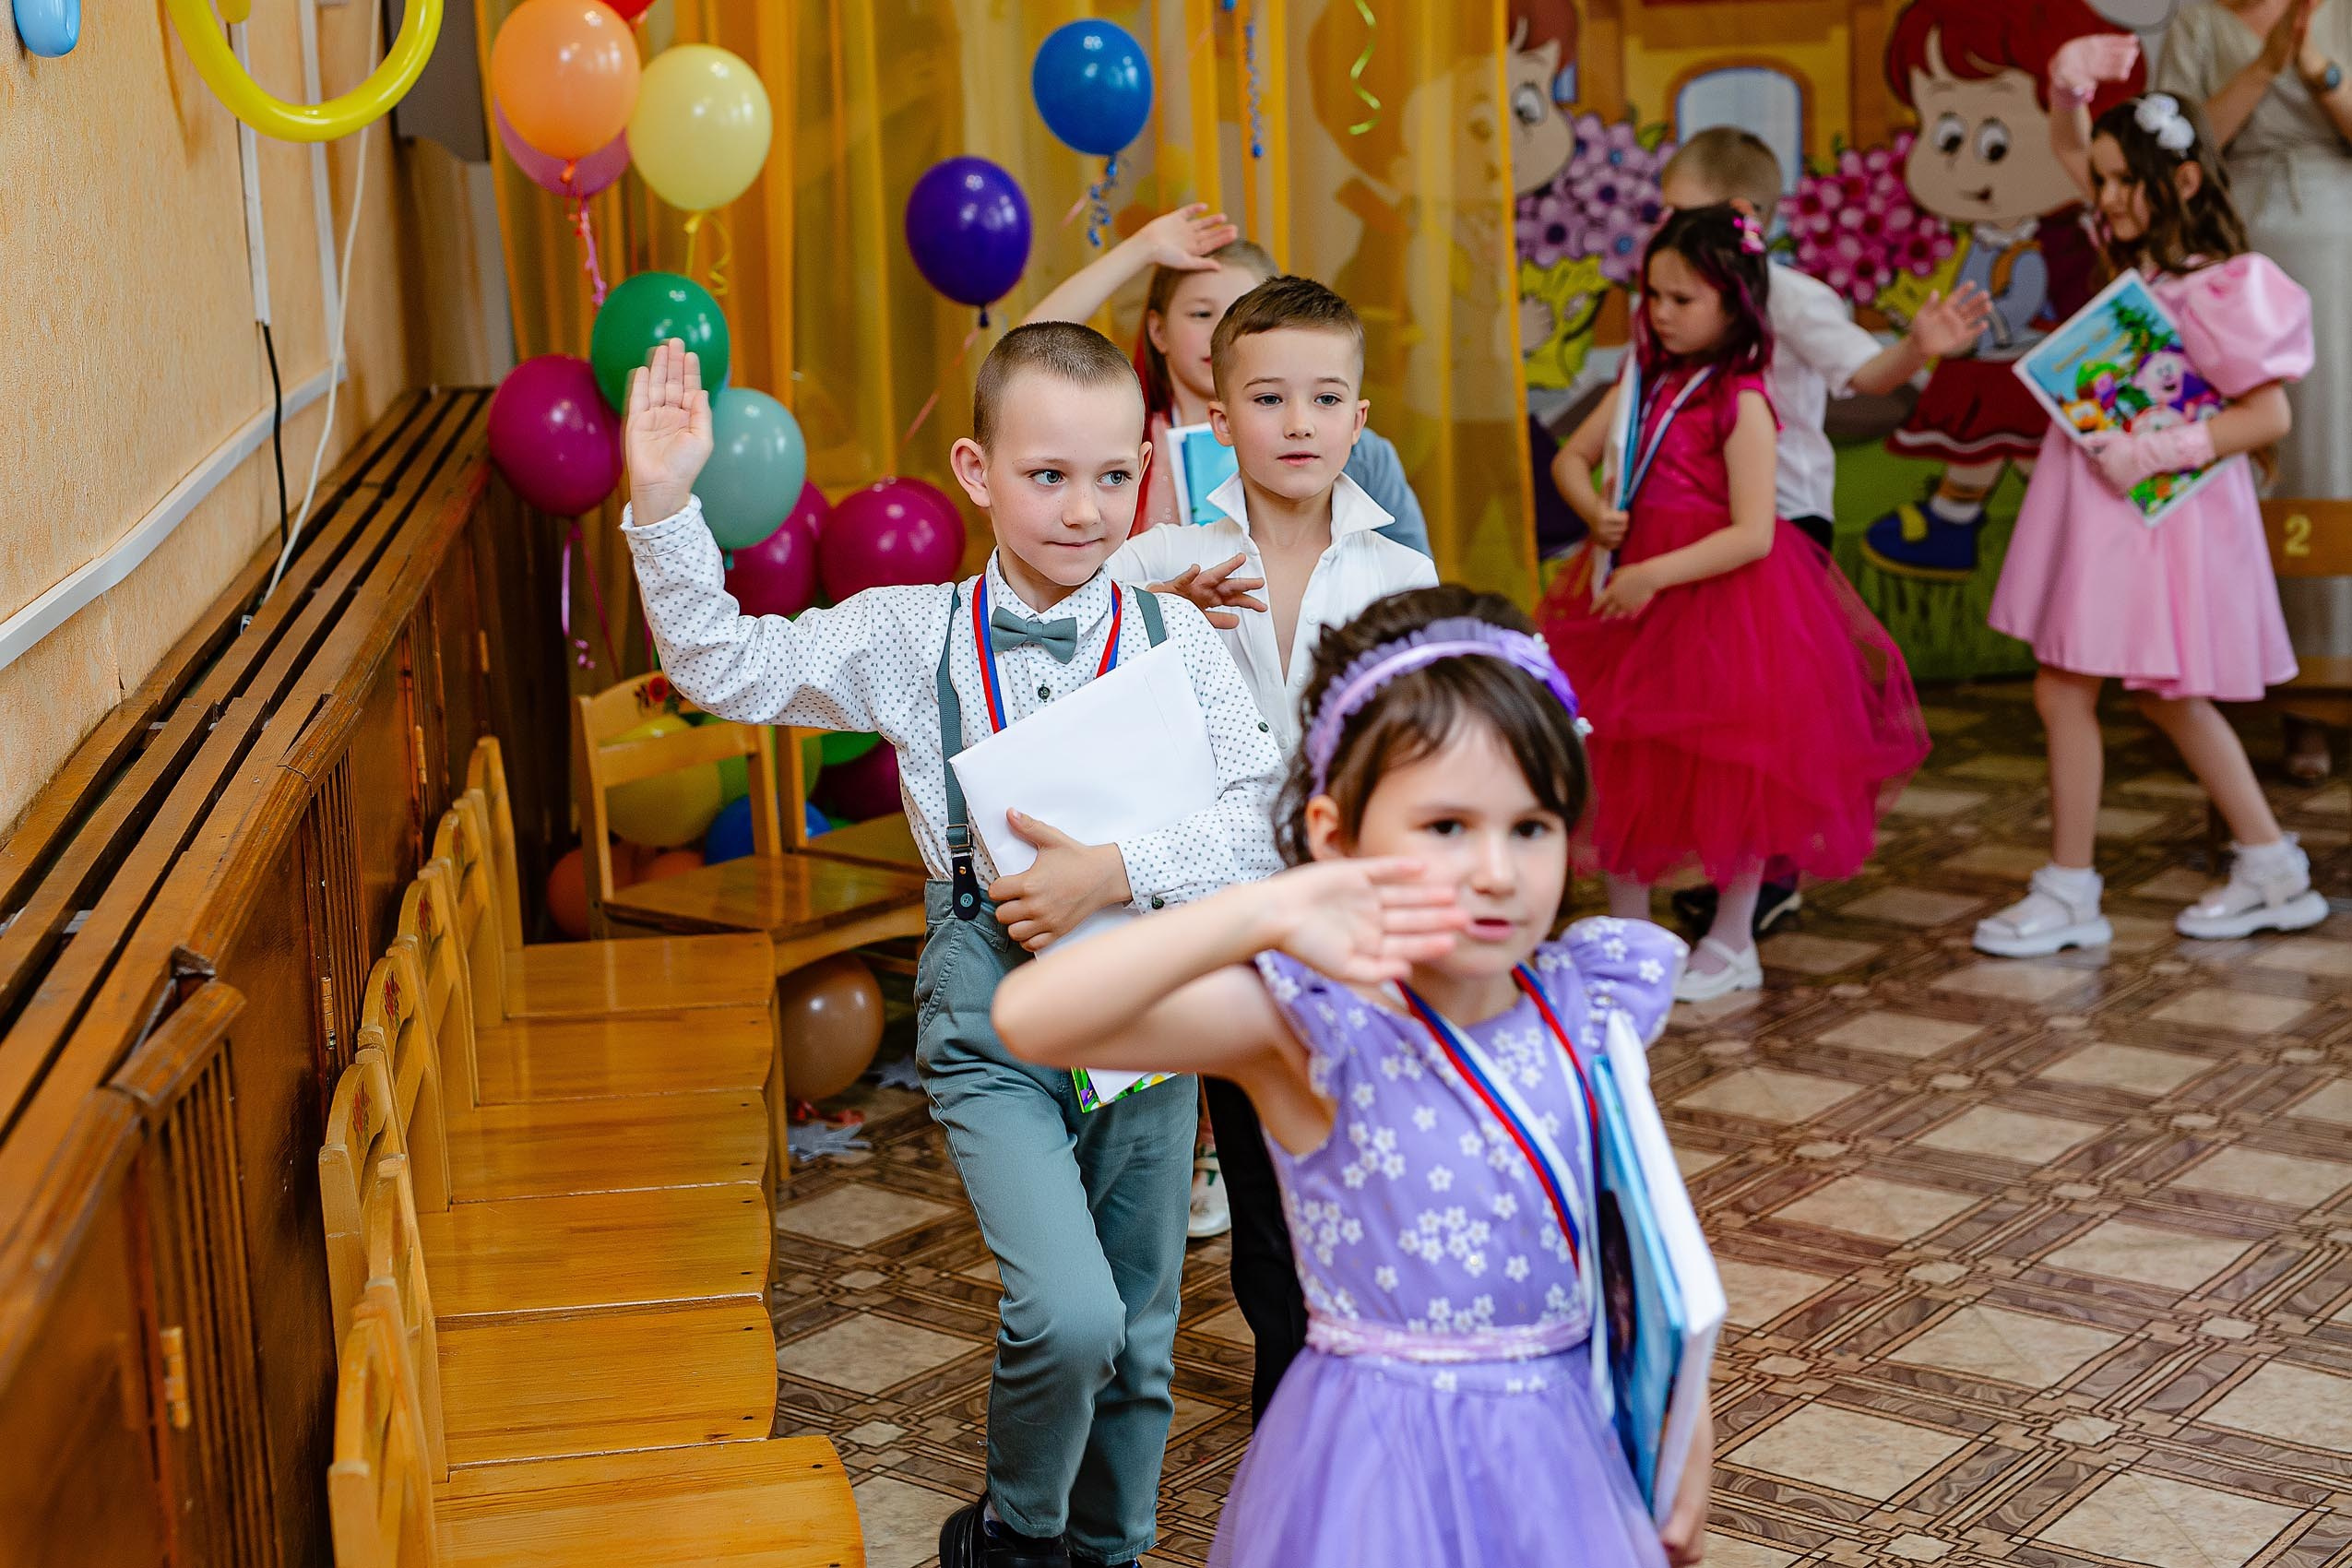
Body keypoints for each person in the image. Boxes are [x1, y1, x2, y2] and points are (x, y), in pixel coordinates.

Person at [619, 327, 1286, 1568]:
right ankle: (1012, 1541)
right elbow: (725, 662)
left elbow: (1265, 818)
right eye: (1045, 476)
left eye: (1106, 477)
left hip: (1146, 994)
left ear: (1142, 470)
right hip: (985, 999)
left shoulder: (1175, 639)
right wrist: (664, 504)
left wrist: (1114, 867)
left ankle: (1110, 1550)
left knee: (1141, 1328)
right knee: (1071, 1311)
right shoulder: (905, 631)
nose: (1080, 510)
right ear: (976, 469)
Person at [992, 585, 1711, 1568]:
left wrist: (1687, 1429)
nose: (1497, 869)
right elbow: (1031, 1016)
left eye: (1531, 825)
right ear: (1337, 835)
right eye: (1447, 826)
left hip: (1559, 1450)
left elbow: (1643, 1244)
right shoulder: (1310, 1029)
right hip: (1373, 1470)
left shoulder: (1588, 1000)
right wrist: (1267, 912)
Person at [1105, 273, 1437, 1421]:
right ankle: (1293, 1418)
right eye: (1269, 397)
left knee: (1367, 1183)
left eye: (1324, 397)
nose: (1298, 423)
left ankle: (1379, 1403)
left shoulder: (1402, 578)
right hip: (1230, 926)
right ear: (1218, 416)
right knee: (1261, 1198)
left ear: (1360, 417)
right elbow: (1076, 675)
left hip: (1361, 940)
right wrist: (1158, 629)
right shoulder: (1156, 569)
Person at [1971, 52, 2326, 956]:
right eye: (2105, 180)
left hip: (2165, 514)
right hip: (2116, 511)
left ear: (2186, 178)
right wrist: (2063, 87)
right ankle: (2260, 863)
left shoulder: (2221, 284)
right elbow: (2070, 147)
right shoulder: (2133, 261)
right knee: (2098, 689)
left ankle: (2089, 886)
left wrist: (2151, 450)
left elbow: (2269, 413)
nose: (2109, 196)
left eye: (2128, 180)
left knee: (2116, 690)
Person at [1539, 205, 1929, 1001]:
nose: (1662, 313)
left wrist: (1655, 573)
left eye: (1684, 299)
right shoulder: (1641, 379)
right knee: (1620, 763)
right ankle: (1628, 931)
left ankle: (1733, 937)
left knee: (1739, 770)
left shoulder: (1743, 399)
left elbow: (1755, 531)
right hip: (1630, 597)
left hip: (1724, 605)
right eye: (1653, 295)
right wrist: (1591, 508)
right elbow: (1570, 459)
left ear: (1735, 302)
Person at [1649, 127, 1990, 942]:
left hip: (1782, 521)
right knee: (1713, 707)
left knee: (1770, 711)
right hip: (1700, 519)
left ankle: (1772, 874)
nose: (1663, 229)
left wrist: (1917, 347)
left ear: (1736, 212)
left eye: (1677, 212)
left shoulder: (1792, 297)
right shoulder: (1673, 297)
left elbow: (1863, 375)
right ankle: (1743, 867)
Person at [2153, 0, 2352, 782]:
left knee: (2338, 457)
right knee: (2277, 461)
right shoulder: (2195, 22)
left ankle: (2337, 682)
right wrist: (2265, 66)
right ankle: (2297, 695)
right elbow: (2178, 152)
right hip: (2237, 247)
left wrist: (2318, 72)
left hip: (2341, 235)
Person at [1022, 204, 1431, 557]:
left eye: (1241, 313)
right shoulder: (1119, 432)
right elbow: (1025, 355)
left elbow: (1414, 597)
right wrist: (1141, 249)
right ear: (1158, 330)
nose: (1222, 333)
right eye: (1201, 314)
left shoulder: (1352, 452)